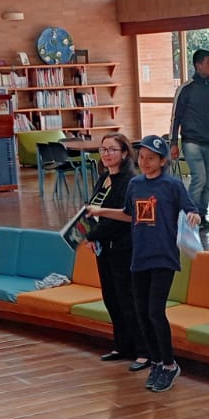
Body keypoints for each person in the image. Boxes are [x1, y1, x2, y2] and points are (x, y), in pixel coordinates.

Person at [86, 134, 199, 393]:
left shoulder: (172, 185)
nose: (145, 162)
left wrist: (193, 215)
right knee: (141, 312)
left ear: (162, 161)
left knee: (154, 312)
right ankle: (157, 362)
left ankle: (169, 364)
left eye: (151, 158)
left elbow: (191, 209)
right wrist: (100, 211)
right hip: (139, 258)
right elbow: (129, 214)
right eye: (143, 157)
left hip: (163, 257)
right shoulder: (136, 184)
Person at [85, 134, 144, 369]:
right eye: (103, 149)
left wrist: (92, 235)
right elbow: (92, 210)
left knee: (128, 299)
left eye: (112, 150)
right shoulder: (104, 178)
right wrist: (89, 235)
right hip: (104, 248)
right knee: (111, 298)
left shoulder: (130, 181)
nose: (106, 154)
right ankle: (122, 345)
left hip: (123, 247)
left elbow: (121, 217)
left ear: (125, 153)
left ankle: (143, 351)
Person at [170, 49, 209, 232]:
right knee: (199, 179)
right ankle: (190, 217)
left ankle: (202, 216)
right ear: (198, 65)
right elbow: (176, 118)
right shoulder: (186, 89)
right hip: (191, 142)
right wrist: (173, 143)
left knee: (208, 182)